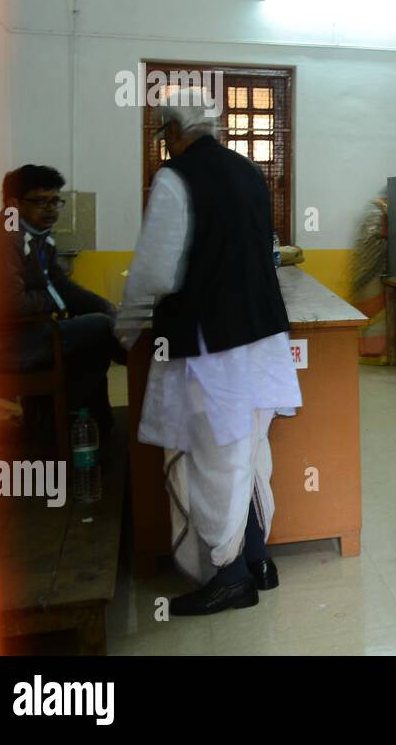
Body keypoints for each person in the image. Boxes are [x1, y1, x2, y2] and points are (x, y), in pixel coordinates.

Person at [116, 97, 301, 616]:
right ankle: (258, 559)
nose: (163, 143)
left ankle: (228, 576)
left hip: (213, 348)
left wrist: (126, 328)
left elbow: (154, 272)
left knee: (215, 463)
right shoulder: (249, 171)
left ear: (174, 130)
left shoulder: (175, 178)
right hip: (262, 339)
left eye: (162, 134)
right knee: (250, 453)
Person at [0, 164, 124, 442]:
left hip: (29, 333)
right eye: (41, 201)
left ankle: (78, 425)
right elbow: (13, 303)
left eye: (55, 201)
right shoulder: (2, 237)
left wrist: (109, 307)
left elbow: (61, 285)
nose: (51, 209)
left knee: (99, 341)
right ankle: (56, 422)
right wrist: (55, 297)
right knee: (102, 329)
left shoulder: (37, 235)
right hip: (3, 344)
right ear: (13, 203)